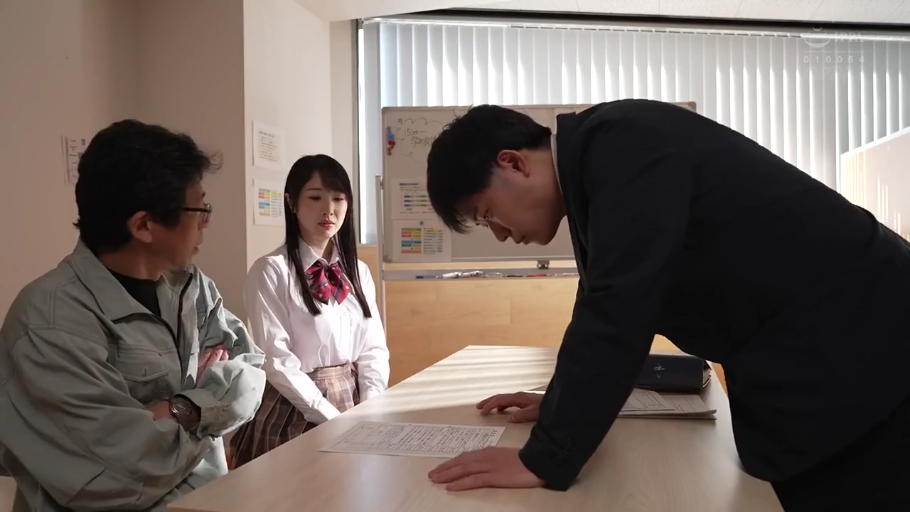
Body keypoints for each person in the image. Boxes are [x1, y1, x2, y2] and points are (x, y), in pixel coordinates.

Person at [421, 100, 910, 510]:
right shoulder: (597, 165)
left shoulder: (621, 144)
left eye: (488, 214)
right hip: (820, 344)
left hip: (867, 335)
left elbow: (619, 310)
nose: (501, 235)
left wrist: (543, 457)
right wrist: (559, 404)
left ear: (513, 163)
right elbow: (600, 304)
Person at [0, 120, 267, 511]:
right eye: (199, 210)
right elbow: (119, 474)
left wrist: (182, 410)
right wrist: (210, 410)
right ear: (143, 225)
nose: (206, 222)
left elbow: (252, 372)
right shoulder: (49, 321)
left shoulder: (192, 287)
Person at [229, 154, 389, 467]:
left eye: (338, 198)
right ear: (291, 203)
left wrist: (369, 409)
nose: (329, 209)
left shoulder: (358, 272)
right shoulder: (271, 271)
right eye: (315, 198)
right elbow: (277, 359)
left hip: (353, 402)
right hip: (294, 407)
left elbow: (373, 350)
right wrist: (330, 417)